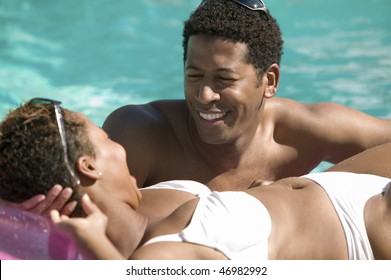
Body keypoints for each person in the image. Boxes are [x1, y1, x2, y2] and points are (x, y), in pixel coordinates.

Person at [1, 99, 391, 260]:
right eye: (106, 140)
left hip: (344, 184)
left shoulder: (147, 199)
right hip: (368, 232)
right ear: (89, 167)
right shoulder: (161, 253)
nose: (119, 146)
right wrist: (94, 246)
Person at [101, 0, 391, 191]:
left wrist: (311, 190)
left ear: (269, 81)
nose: (204, 96)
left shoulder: (302, 131)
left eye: (224, 79)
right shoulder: (139, 135)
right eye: (193, 76)